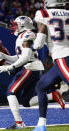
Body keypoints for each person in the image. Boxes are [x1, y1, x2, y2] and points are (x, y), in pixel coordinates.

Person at [0, 16, 65, 129]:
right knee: (25, 102)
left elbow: (26, 57)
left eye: (16, 24)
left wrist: (10, 67)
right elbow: (19, 57)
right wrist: (4, 56)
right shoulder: (22, 36)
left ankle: (19, 123)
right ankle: (52, 95)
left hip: (30, 67)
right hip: (32, 68)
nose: (14, 27)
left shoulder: (28, 34)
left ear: (23, 25)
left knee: (11, 92)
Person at [31, 0, 69, 131]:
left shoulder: (43, 13)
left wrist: (33, 46)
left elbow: (40, 42)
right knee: (41, 86)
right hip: (61, 58)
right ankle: (41, 125)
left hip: (63, 57)